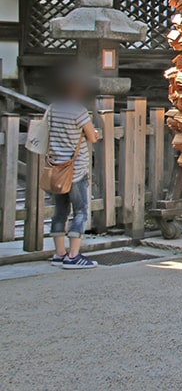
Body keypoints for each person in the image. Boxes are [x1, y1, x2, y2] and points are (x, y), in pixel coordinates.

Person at [47, 70, 100, 269]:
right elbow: (91, 136)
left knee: (60, 211)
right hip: (75, 168)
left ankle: (59, 253)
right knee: (80, 211)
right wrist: (93, 133)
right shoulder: (79, 111)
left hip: (56, 167)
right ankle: (74, 255)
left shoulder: (52, 108)